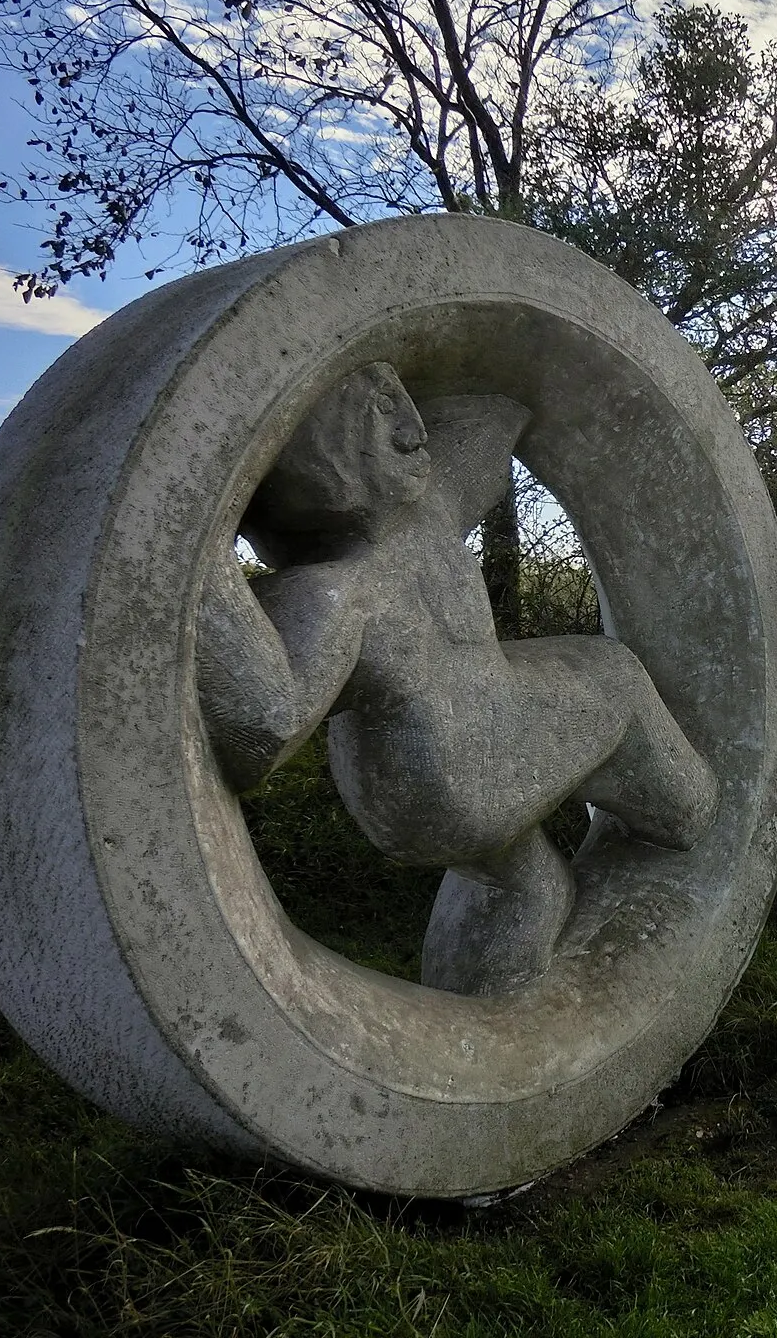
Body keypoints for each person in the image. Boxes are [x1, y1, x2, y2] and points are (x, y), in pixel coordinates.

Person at [196, 362, 716, 995]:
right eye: (380, 416)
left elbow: (494, 422)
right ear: (325, 464)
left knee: (537, 889)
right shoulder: (332, 594)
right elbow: (262, 730)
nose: (415, 432)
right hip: (465, 770)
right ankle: (690, 813)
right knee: (615, 674)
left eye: (405, 405)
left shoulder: (418, 524)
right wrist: (196, 549)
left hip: (415, 800)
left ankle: (496, 1013)